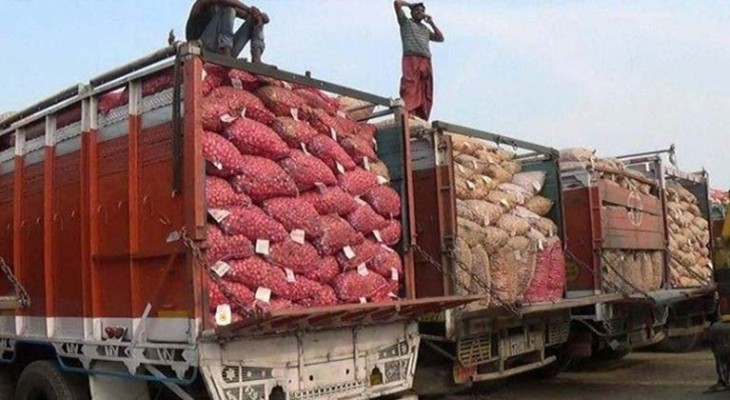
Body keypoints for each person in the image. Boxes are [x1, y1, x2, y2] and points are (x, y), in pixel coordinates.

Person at [393, 1, 444, 121]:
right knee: (410, 86)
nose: (420, 12)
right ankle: (408, 112)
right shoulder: (406, 22)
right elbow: (397, 3)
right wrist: (410, 5)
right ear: (412, 12)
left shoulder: (425, 29)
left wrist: (431, 22)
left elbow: (440, 38)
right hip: (411, 58)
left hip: (425, 59)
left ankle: (420, 115)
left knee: (425, 89)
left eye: (422, 11)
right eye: (417, 10)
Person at [186, 0, 269, 63]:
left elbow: (249, 15)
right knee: (229, 10)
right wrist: (249, 9)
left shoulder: (227, 6)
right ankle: (225, 51)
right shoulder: (201, 3)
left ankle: (256, 58)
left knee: (254, 20)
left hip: (221, 49)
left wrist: (259, 16)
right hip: (203, 47)